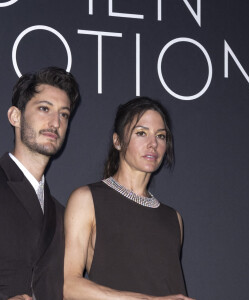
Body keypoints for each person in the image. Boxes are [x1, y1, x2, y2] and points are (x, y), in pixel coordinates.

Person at [64, 97, 194, 300]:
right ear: (117, 141)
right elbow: (68, 285)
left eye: (161, 136)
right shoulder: (87, 200)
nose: (153, 144)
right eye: (141, 133)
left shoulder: (173, 218)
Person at [0, 67, 80, 300]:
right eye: (44, 109)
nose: (55, 122)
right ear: (15, 116)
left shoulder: (62, 213)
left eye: (64, 114)